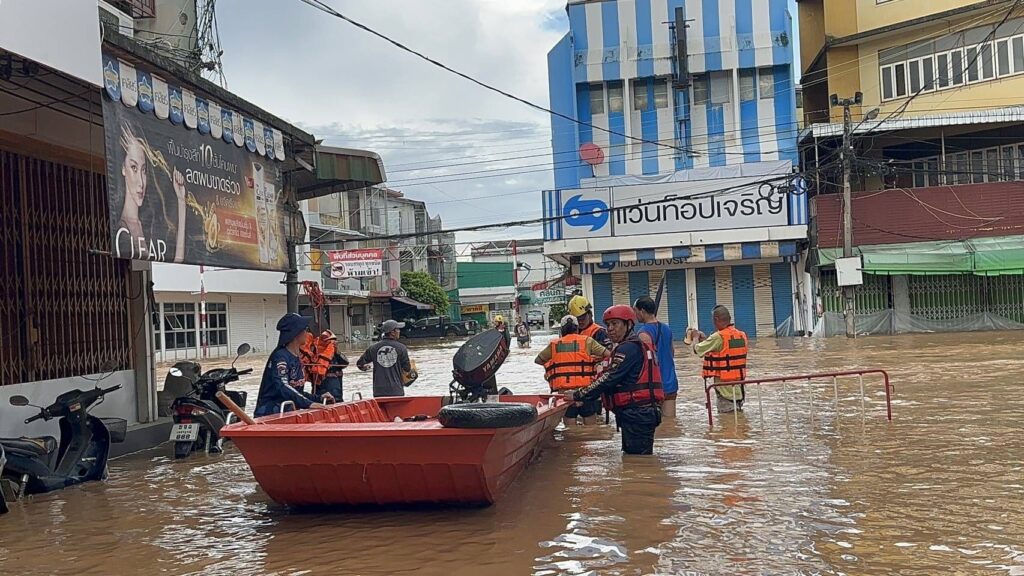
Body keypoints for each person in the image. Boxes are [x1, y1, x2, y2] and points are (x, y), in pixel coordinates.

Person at [571, 305, 664, 455]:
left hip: (638, 413)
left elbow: (609, 378)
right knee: (635, 459)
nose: (610, 329)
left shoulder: (628, 349)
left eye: (615, 324)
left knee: (637, 461)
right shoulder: (630, 347)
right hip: (637, 413)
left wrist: (578, 395)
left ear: (628, 325)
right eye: (608, 325)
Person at [114, 121, 186, 263]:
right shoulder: (122, 232)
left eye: (144, 170)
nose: (141, 182)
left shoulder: (147, 225)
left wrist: (181, 201)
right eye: (133, 168)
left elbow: (177, 263)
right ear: (123, 168)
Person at [535, 315, 610, 425]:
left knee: (570, 431)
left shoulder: (554, 345)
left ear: (562, 330)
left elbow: (538, 360)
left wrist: (552, 368)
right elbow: (608, 354)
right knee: (592, 429)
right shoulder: (587, 341)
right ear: (577, 328)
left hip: (564, 395)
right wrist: (594, 360)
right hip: (586, 392)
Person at [254, 313, 329, 417]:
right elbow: (283, 386)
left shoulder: (296, 357)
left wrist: (318, 398)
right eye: (305, 330)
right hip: (271, 415)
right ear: (296, 334)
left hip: (288, 412)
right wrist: (308, 404)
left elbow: (297, 391)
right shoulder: (280, 357)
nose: (307, 333)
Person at [688, 305, 749, 414]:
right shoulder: (741, 335)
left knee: (727, 425)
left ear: (716, 319)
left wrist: (695, 337)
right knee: (737, 421)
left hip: (724, 390)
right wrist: (707, 340)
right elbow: (724, 349)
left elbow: (697, 349)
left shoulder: (718, 336)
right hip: (739, 390)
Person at [634, 296, 679, 419]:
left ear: (642, 311)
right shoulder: (667, 329)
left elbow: (645, 361)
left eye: (635, 311)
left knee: (655, 427)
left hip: (653, 385)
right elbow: (672, 353)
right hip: (670, 382)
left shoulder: (643, 333)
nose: (635, 315)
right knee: (669, 424)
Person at [357, 319, 414, 398]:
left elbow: (360, 364)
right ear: (392, 332)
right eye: (398, 329)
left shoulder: (373, 348)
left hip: (378, 391)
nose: (399, 331)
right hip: (396, 390)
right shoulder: (401, 348)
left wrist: (365, 367)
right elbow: (407, 368)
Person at [317, 330, 349, 403]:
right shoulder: (318, 356)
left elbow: (345, 363)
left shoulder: (336, 355)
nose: (333, 343)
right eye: (331, 342)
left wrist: (337, 352)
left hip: (338, 395)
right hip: (324, 397)